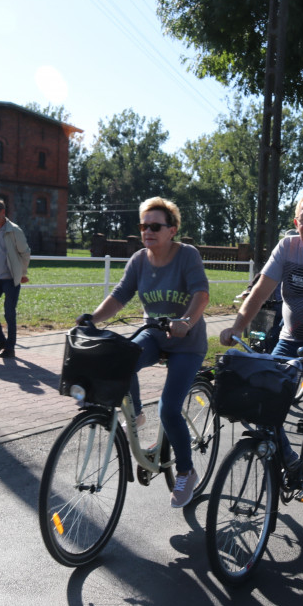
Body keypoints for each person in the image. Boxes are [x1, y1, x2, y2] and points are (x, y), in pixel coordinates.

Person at [220, 191, 303, 517]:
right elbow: (260, 290)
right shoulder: (287, 247)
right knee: (257, 395)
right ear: (296, 222)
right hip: (292, 337)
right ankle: (289, 457)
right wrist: (238, 326)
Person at [81, 197, 210, 509]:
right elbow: (120, 295)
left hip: (187, 342)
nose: (148, 231)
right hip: (155, 333)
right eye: (143, 226)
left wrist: (186, 322)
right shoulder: (139, 259)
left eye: (155, 226)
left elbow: (201, 294)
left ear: (172, 230)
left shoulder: (187, 255)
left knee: (168, 409)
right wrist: (92, 319)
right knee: (123, 358)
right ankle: (136, 414)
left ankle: (185, 471)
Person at [0, 199, 31, 359]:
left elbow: (25, 253)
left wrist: (22, 273)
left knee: (9, 313)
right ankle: (0, 341)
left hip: (11, 279)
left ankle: (10, 348)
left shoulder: (14, 231)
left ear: (3, 212)